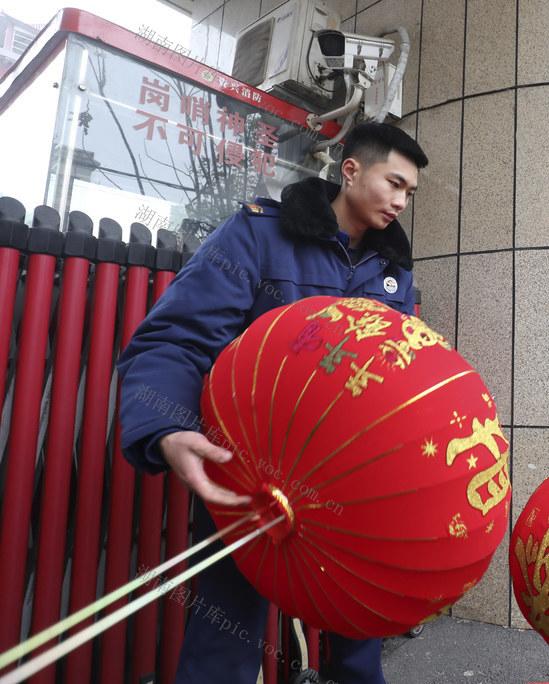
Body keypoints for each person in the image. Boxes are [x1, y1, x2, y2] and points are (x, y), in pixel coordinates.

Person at [117, 122, 428, 684]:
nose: (402, 203)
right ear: (351, 169)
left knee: (360, 639)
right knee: (226, 634)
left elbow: (396, 381)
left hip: (353, 490)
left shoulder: (393, 273)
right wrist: (166, 428)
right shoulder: (259, 235)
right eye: (395, 184)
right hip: (249, 475)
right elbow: (174, 340)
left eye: (411, 193)